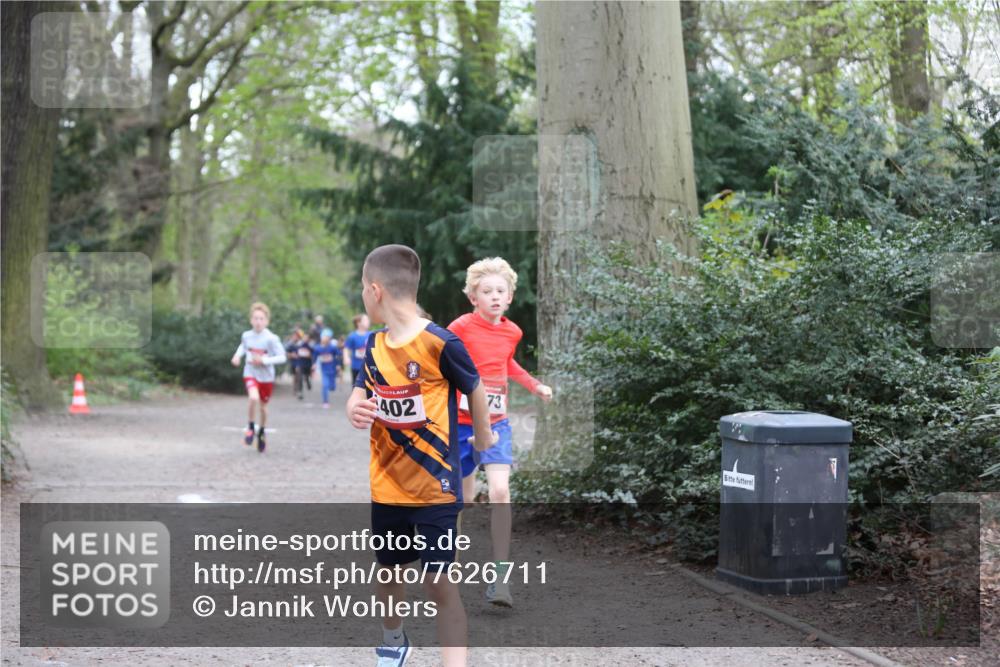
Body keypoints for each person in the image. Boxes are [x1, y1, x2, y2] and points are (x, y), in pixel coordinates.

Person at [346, 244, 495, 667]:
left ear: (375, 290)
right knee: (389, 572)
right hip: (387, 487)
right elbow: (361, 389)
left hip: (436, 488)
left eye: (361, 288)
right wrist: (353, 405)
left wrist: (482, 437)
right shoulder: (374, 345)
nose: (362, 295)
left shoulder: (440, 343)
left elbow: (475, 386)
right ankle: (394, 640)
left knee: (438, 582)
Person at [447, 257, 553, 608]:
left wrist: (534, 385)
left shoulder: (512, 332)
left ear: (509, 297)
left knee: (500, 491)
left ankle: (500, 578)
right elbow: (442, 360)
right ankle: (450, 573)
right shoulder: (460, 327)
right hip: (460, 425)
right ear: (473, 297)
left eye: (500, 291)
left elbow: (507, 363)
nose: (494, 296)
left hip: (497, 423)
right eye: (486, 291)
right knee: (457, 502)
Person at [230, 302, 286, 453]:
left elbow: (282, 357)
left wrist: (264, 360)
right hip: (251, 373)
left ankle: (261, 431)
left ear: (267, 321)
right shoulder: (246, 335)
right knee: (253, 398)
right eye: (255, 318)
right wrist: (237, 356)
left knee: (263, 407)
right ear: (251, 320)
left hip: (266, 377)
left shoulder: (271, 338)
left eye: (261, 319)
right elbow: (243, 346)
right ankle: (250, 427)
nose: (258, 321)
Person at [313, 327, 342, 408]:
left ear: (329, 338)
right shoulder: (318, 348)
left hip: (332, 369)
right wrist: (314, 364)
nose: (325, 339)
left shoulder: (333, 347)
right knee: (325, 385)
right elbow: (314, 356)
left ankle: (332, 386)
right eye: (323, 337)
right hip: (324, 370)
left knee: (332, 387)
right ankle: (325, 401)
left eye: (327, 337)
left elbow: (338, 355)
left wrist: (338, 365)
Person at [285, 328, 313, 400]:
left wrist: (309, 355)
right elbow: (287, 353)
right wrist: (291, 355)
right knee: (296, 377)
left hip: (304, 363)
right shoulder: (290, 344)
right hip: (295, 363)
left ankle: (302, 387)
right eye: (294, 335)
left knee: (302, 376)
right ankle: (297, 391)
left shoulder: (304, 344)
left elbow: (312, 352)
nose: (295, 337)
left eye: (297, 336)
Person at [343, 313, 371, 385]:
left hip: (369, 366)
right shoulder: (352, 336)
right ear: (358, 323)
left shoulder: (371, 335)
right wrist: (346, 357)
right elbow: (346, 348)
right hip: (356, 366)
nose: (368, 321)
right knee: (356, 385)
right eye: (365, 320)